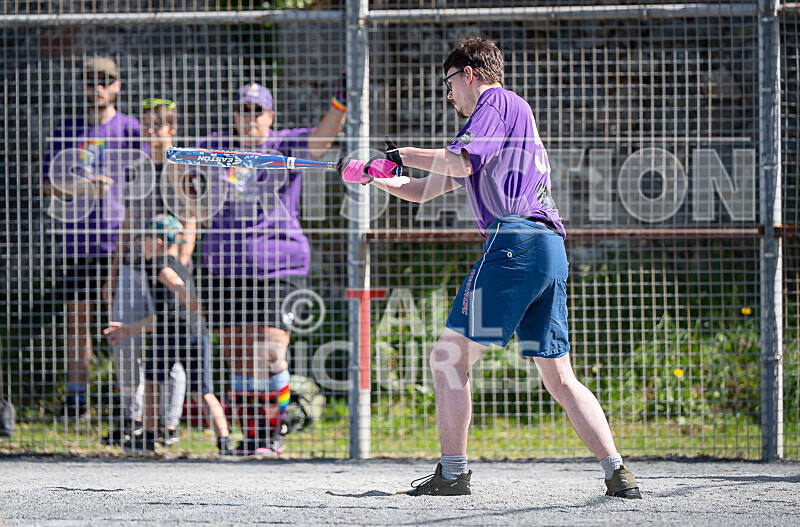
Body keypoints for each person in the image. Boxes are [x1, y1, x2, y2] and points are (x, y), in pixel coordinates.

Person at [338, 36, 641, 498]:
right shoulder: (503, 127)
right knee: (560, 377)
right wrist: (375, 177)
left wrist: (397, 155)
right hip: (547, 251)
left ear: (470, 74)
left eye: (449, 82)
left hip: (513, 245)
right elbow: (425, 189)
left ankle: (454, 473)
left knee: (447, 359)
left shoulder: (496, 102)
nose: (448, 93)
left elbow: (460, 160)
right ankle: (617, 470)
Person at [192, 80, 346, 455]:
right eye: (243, 110)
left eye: (257, 111)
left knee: (272, 351)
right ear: (234, 115)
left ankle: (276, 430)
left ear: (269, 116)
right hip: (224, 264)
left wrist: (340, 102)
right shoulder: (217, 149)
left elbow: (321, 139)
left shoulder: (285, 145)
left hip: (279, 263)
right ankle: (253, 433)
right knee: (236, 352)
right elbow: (184, 171)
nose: (249, 118)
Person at [42, 57, 144, 421]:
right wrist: (83, 187)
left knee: (122, 322)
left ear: (117, 86)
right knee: (77, 322)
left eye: (105, 81)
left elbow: (148, 180)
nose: (97, 88)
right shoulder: (66, 129)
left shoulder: (132, 128)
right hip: (78, 243)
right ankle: (76, 402)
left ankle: (126, 405)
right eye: (90, 82)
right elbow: (47, 184)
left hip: (120, 245)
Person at [101, 98, 192, 446]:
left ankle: (168, 425)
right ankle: (133, 419)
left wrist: (179, 265)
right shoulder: (136, 167)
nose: (151, 131)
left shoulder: (182, 166)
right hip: (133, 266)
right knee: (125, 342)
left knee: (171, 344)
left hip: (167, 271)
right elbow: (127, 222)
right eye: (147, 125)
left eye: (158, 124)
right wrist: (114, 270)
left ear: (172, 129)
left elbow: (192, 219)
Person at [103, 214, 231, 455]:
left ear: (160, 241)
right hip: (195, 331)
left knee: (152, 383)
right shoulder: (181, 263)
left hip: (172, 334)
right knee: (203, 390)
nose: (142, 244)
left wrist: (192, 301)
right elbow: (163, 313)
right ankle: (224, 441)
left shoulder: (158, 262)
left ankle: (149, 437)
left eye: (147, 239)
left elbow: (170, 282)